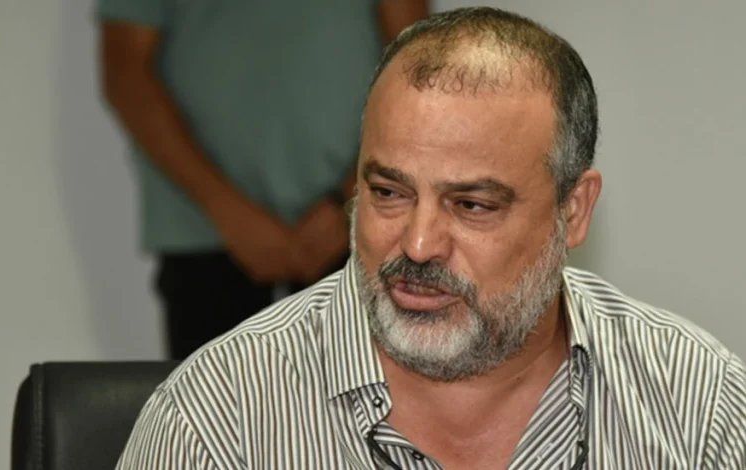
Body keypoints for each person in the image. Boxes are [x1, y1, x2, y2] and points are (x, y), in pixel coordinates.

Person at [115, 7, 746, 469]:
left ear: (573, 212)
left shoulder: (698, 408)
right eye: (389, 193)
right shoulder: (215, 424)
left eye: (471, 205)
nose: (417, 246)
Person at [97, 0, 429, 359]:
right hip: (204, 230)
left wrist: (352, 201)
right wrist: (227, 211)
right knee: (214, 396)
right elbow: (126, 73)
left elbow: (415, 67)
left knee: (365, 393)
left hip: (359, 225)